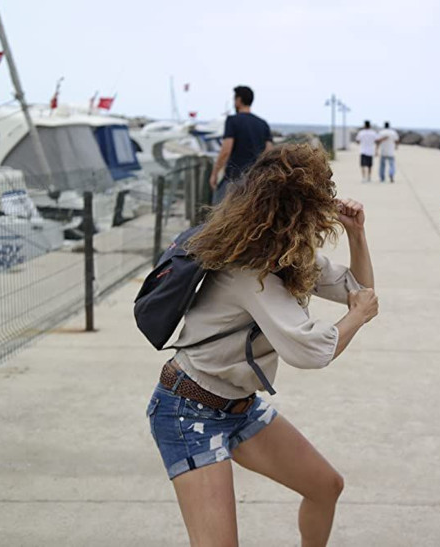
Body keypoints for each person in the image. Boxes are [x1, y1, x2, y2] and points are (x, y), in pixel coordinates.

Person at [147, 143, 378, 546]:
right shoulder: (250, 269)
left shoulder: (285, 255)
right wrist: (356, 317)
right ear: (296, 209)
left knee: (326, 486)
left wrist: (357, 235)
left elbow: (357, 289)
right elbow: (309, 350)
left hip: (237, 407)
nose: (326, 208)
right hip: (188, 410)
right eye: (320, 199)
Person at [210, 85, 273, 204]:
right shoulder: (263, 124)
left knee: (219, 214)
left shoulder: (232, 121)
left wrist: (214, 173)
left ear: (238, 100)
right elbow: (269, 152)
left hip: (234, 178)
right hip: (255, 181)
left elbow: (226, 151)